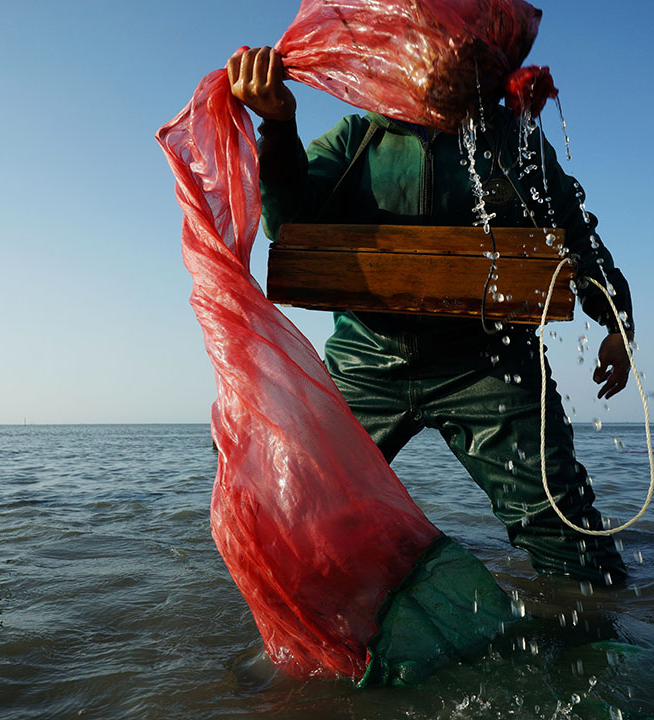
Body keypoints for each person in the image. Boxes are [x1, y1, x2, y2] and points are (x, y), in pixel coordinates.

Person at [227, 46, 633, 587]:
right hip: (367, 359)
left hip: (491, 365)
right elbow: (287, 223)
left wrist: (615, 321)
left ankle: (595, 651)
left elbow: (577, 233)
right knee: (295, 526)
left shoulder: (514, 144)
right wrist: (278, 126)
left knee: (575, 548)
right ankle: (311, 656)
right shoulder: (356, 140)